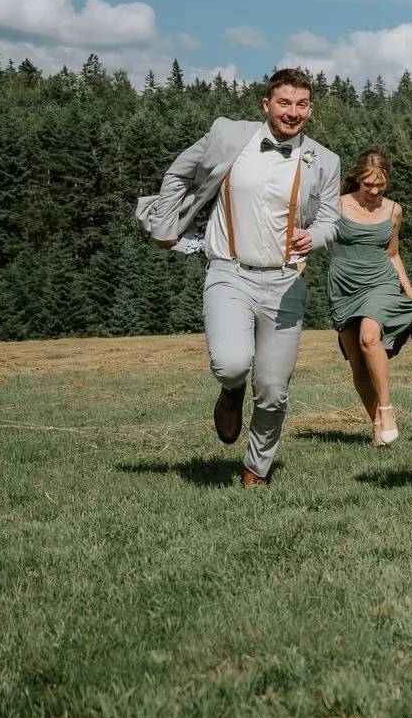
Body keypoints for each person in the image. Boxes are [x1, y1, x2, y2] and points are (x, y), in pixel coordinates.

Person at [135, 68, 342, 487]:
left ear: (311, 110)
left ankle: (256, 469)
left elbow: (331, 218)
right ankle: (231, 391)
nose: (292, 112)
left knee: (272, 388)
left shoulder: (325, 160)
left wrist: (314, 236)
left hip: (285, 282)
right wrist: (165, 225)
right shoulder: (228, 136)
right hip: (229, 272)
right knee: (232, 364)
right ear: (266, 105)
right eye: (284, 102)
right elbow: (179, 173)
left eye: (301, 104)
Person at [328, 151, 412, 446]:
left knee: (369, 338)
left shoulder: (393, 210)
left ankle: (387, 410)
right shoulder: (337, 205)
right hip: (344, 287)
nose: (373, 191)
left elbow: (392, 254)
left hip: (380, 282)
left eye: (380, 185)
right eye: (368, 184)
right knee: (357, 362)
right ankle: (375, 423)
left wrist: (409, 291)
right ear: (357, 177)